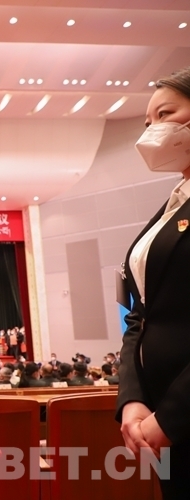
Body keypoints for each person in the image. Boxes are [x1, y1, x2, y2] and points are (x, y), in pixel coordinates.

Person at [118, 66, 190, 498]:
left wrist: (173, 416)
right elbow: (140, 315)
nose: (152, 131)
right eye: (147, 123)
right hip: (156, 419)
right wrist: (132, 399)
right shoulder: (173, 205)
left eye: (165, 114)